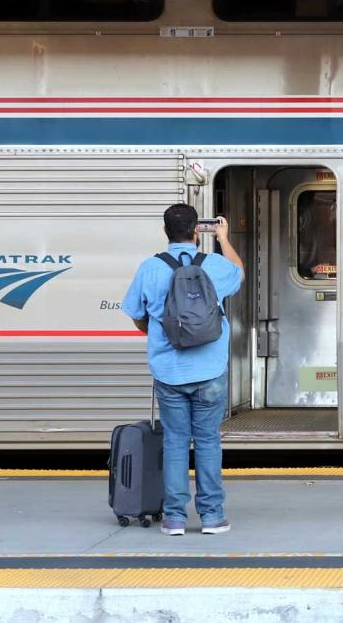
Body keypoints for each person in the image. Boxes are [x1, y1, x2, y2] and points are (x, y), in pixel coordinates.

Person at [122, 204, 244, 536]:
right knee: (207, 441)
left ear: (165, 232)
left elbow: (134, 311)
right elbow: (239, 270)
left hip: (169, 370)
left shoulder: (150, 268)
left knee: (176, 441)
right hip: (209, 369)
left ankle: (174, 518)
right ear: (196, 232)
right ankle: (212, 516)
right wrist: (224, 239)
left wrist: (157, 333)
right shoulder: (215, 265)